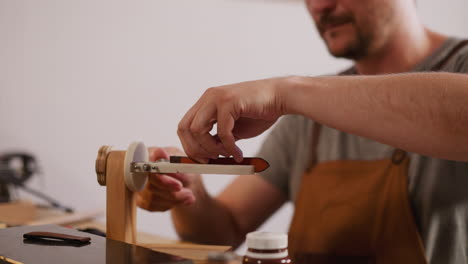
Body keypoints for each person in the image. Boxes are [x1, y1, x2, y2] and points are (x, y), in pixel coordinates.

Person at [137, 0, 468, 262]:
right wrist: (188, 191)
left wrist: (288, 92)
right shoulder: (308, 109)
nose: (319, 6)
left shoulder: (460, 65)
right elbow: (224, 232)